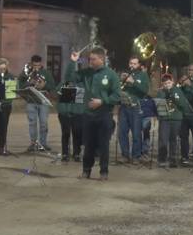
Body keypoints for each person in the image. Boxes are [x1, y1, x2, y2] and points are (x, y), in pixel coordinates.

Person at [66, 48, 121, 181]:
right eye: (90, 59)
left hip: (104, 115)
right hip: (88, 115)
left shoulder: (111, 75)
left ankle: (104, 172)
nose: (90, 61)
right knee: (88, 144)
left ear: (101, 59)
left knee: (104, 145)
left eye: (93, 59)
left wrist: (102, 101)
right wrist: (72, 62)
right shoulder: (86, 73)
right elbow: (69, 78)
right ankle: (86, 171)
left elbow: (117, 96)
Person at [18, 55, 56, 151]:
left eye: (38, 65)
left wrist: (44, 85)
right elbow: (20, 84)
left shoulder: (46, 73)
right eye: (34, 65)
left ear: (41, 64)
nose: (36, 67)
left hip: (43, 101)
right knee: (32, 122)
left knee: (43, 123)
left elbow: (52, 86)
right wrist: (29, 82)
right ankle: (33, 143)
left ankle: (43, 143)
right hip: (31, 100)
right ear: (31, 63)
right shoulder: (26, 72)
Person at [156, 73, 193, 168]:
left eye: (169, 83)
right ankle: (162, 159)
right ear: (162, 84)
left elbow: (183, 104)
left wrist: (175, 97)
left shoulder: (177, 91)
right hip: (164, 119)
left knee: (173, 140)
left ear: (172, 82)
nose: (167, 85)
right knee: (163, 139)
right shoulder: (161, 92)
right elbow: (158, 105)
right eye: (165, 83)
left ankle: (173, 159)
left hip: (176, 118)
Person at [117, 56, 149, 164]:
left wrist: (133, 82)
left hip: (136, 107)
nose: (132, 65)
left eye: (134, 64)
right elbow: (119, 89)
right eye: (131, 63)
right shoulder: (126, 75)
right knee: (122, 132)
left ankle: (136, 156)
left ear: (139, 65)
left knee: (136, 133)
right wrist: (121, 81)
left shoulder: (143, 75)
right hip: (124, 107)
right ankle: (125, 155)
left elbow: (145, 90)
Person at [56, 78, 85, 162]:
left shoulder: (82, 83)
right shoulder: (63, 82)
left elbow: (86, 95)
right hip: (64, 112)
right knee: (65, 132)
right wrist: (61, 89)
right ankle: (65, 153)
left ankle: (76, 153)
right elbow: (56, 93)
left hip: (77, 112)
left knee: (77, 133)